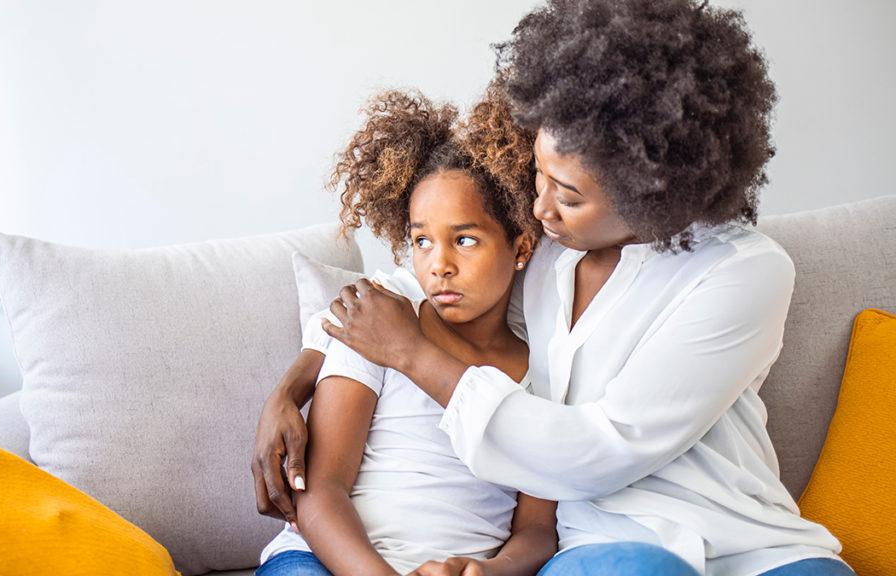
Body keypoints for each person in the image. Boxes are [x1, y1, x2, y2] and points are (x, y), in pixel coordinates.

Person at [252, 1, 852, 575]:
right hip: (609, 552)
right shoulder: (544, 254)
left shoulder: (743, 271)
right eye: (538, 173)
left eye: (567, 195)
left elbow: (598, 452)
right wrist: (290, 388)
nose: (538, 208)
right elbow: (402, 289)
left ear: (651, 190)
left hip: (746, 544)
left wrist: (411, 354)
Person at [255, 87, 557, 576]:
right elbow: (322, 489)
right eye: (421, 240)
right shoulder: (380, 321)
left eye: (465, 240)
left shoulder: (543, 370)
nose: (439, 265)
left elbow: (537, 530)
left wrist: (490, 572)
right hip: (325, 561)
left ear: (520, 247)